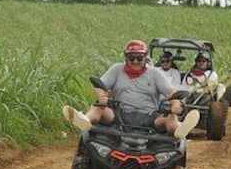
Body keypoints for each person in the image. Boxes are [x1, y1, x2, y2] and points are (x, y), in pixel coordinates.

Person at [63, 40, 200, 139]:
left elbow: (170, 92)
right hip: (119, 114)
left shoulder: (155, 73)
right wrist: (102, 97)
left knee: (170, 118)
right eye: (131, 58)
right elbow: (99, 85)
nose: (135, 61)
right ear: (126, 57)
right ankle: (85, 120)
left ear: (145, 57)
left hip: (149, 116)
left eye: (139, 58)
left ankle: (179, 128)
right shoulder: (116, 69)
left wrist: (175, 104)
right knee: (98, 107)